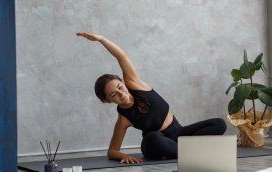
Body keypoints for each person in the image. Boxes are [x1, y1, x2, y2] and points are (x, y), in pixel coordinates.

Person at [76, 32, 227, 164]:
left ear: (123, 83)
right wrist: (124, 155)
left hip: (179, 133)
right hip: (157, 142)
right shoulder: (124, 118)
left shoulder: (135, 84)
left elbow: (121, 56)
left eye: (120, 87)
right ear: (107, 100)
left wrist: (101, 39)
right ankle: (187, 152)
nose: (121, 93)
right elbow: (112, 151)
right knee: (152, 138)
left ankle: (180, 153)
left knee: (219, 124)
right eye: (114, 94)